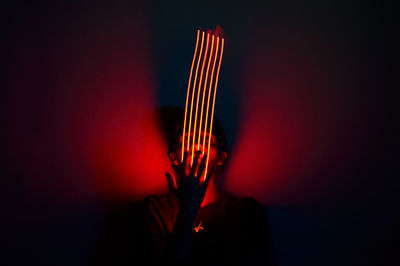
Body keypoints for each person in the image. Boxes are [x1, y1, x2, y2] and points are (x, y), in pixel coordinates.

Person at [132, 110, 273, 266]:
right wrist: (188, 209)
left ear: (221, 157)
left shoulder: (247, 212)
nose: (197, 146)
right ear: (174, 157)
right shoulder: (153, 210)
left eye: (207, 140)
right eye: (188, 140)